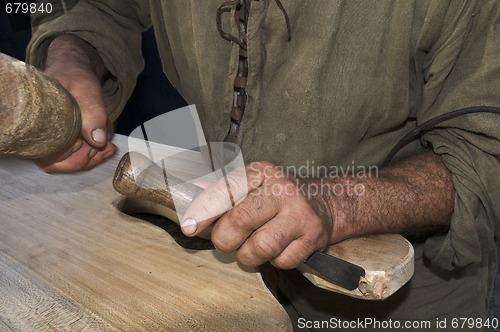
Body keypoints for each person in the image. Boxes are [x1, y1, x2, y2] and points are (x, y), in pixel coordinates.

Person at [27, 0, 500, 330]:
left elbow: (486, 152)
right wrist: (71, 57)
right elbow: (97, 6)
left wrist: (337, 203)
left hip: (391, 297)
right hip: (218, 272)